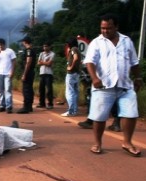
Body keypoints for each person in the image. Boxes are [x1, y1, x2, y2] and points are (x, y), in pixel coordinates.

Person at [84, 13, 143, 156]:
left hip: (125, 85)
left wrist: (138, 77)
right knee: (99, 117)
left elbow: (134, 62)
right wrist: (95, 78)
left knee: (131, 114)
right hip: (103, 86)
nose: (105, 31)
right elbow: (89, 62)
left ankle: (127, 142)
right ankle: (97, 143)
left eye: (108, 28)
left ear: (116, 27)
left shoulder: (126, 41)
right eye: (102, 28)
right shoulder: (96, 42)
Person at [0, 38, 16, 114]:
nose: (0, 46)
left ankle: (9, 106)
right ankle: (2, 105)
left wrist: (12, 72)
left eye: (1, 45)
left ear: (4, 44)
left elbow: (14, 62)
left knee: (8, 90)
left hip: (7, 73)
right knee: (0, 90)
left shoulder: (10, 51)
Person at [61, 37, 81, 117]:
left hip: (71, 73)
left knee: (69, 92)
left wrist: (71, 67)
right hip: (77, 73)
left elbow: (75, 58)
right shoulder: (77, 49)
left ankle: (71, 111)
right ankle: (75, 110)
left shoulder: (73, 49)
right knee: (75, 92)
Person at [17, 36, 36, 114]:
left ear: (25, 42)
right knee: (29, 89)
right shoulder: (32, 50)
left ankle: (26, 107)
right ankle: (29, 106)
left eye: (23, 42)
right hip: (30, 71)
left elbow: (28, 62)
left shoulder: (29, 50)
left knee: (26, 89)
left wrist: (24, 74)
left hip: (28, 71)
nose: (22, 43)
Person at [36, 42, 55, 109]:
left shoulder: (52, 54)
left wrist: (42, 62)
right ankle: (42, 103)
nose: (45, 48)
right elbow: (38, 63)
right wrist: (45, 62)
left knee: (49, 89)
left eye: (46, 46)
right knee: (41, 89)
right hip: (42, 73)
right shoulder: (41, 54)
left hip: (49, 73)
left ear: (49, 47)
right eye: (44, 46)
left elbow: (49, 64)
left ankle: (50, 103)